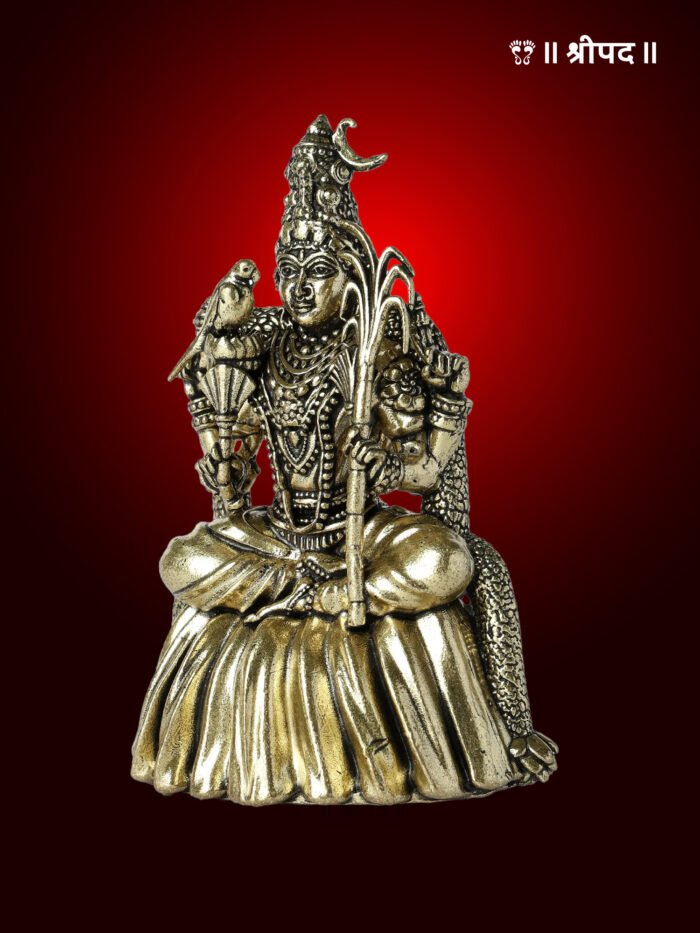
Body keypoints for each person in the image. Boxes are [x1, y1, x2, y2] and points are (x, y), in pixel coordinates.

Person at [131, 115, 557, 805]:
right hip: (280, 539)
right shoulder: (264, 342)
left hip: (365, 537)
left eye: (318, 271)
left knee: (443, 561)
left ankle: (309, 593)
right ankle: (307, 591)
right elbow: (236, 451)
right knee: (182, 560)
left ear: (352, 274)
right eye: (288, 272)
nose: (299, 288)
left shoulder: (376, 346)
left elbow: (426, 471)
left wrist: (383, 464)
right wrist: (228, 474)